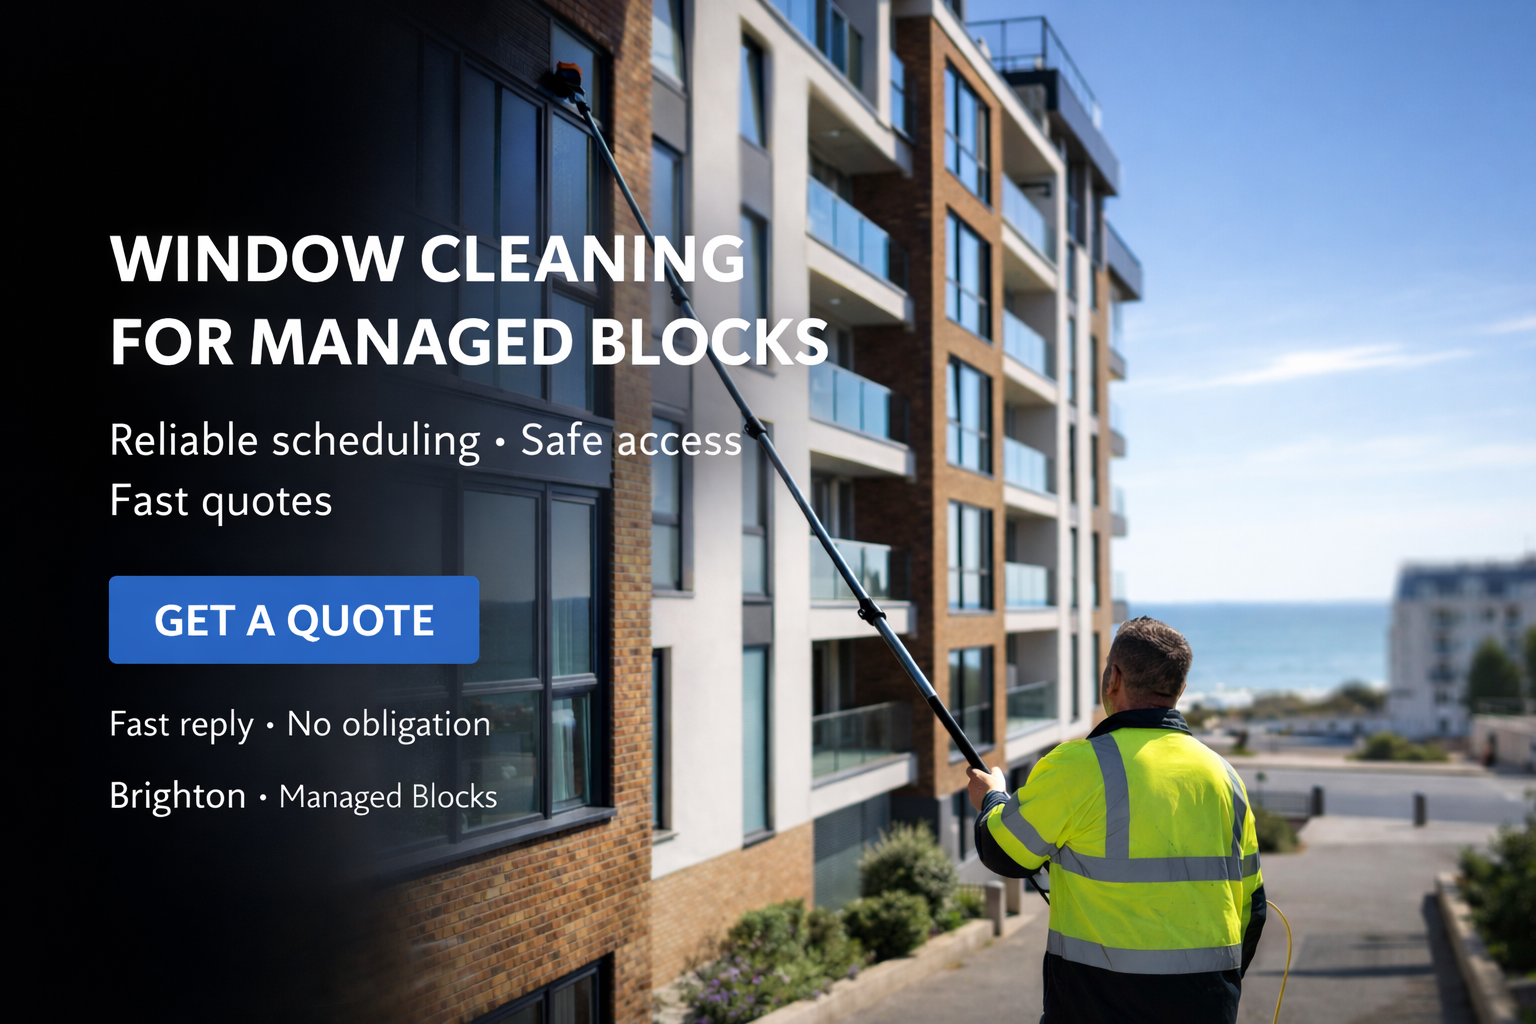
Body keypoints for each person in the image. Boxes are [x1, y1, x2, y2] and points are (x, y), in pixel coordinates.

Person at [967, 617, 1266, 1024]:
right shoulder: (1224, 776)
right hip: (1208, 1007)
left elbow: (1004, 853)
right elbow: (1253, 907)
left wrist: (992, 798)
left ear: (1114, 678)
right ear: (1179, 688)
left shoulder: (1079, 766)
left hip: (1095, 1008)